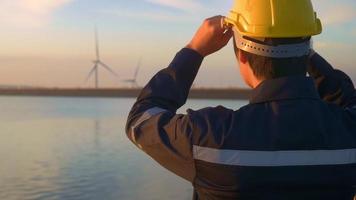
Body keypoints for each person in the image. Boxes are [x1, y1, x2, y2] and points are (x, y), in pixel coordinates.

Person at [126, 0, 356, 199]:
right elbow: (347, 98)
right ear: (307, 48)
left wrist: (194, 50)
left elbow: (140, 121)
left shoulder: (210, 138)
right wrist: (303, 50)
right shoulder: (348, 131)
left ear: (242, 55)